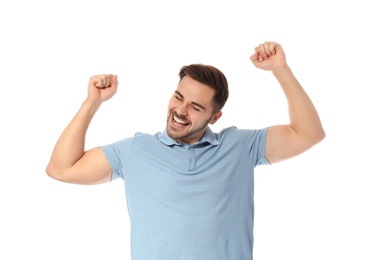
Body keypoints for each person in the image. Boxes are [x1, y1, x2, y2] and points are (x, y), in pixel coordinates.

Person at [46, 41, 325, 260]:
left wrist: (281, 70)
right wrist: (91, 103)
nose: (180, 110)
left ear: (215, 117)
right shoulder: (135, 150)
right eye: (179, 97)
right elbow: (61, 169)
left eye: (195, 106)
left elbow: (308, 133)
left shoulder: (240, 146)